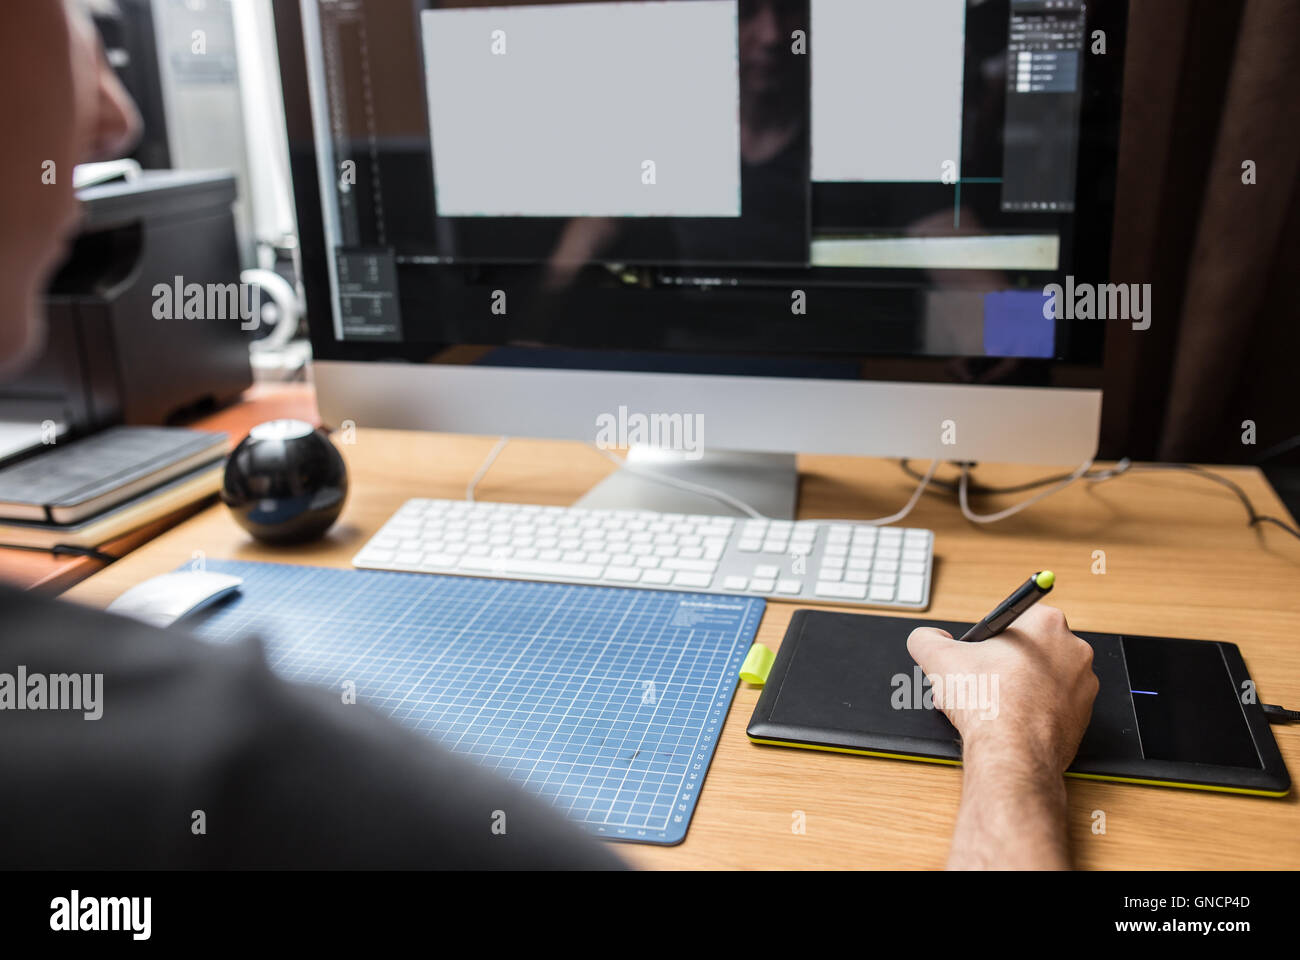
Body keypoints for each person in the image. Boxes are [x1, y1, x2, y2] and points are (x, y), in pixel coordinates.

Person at [0, 0, 1098, 871]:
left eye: (787, 12)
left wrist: (998, 310)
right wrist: (1016, 747)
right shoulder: (631, 160)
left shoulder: (878, 166)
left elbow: (1003, 312)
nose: (115, 119)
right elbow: (525, 328)